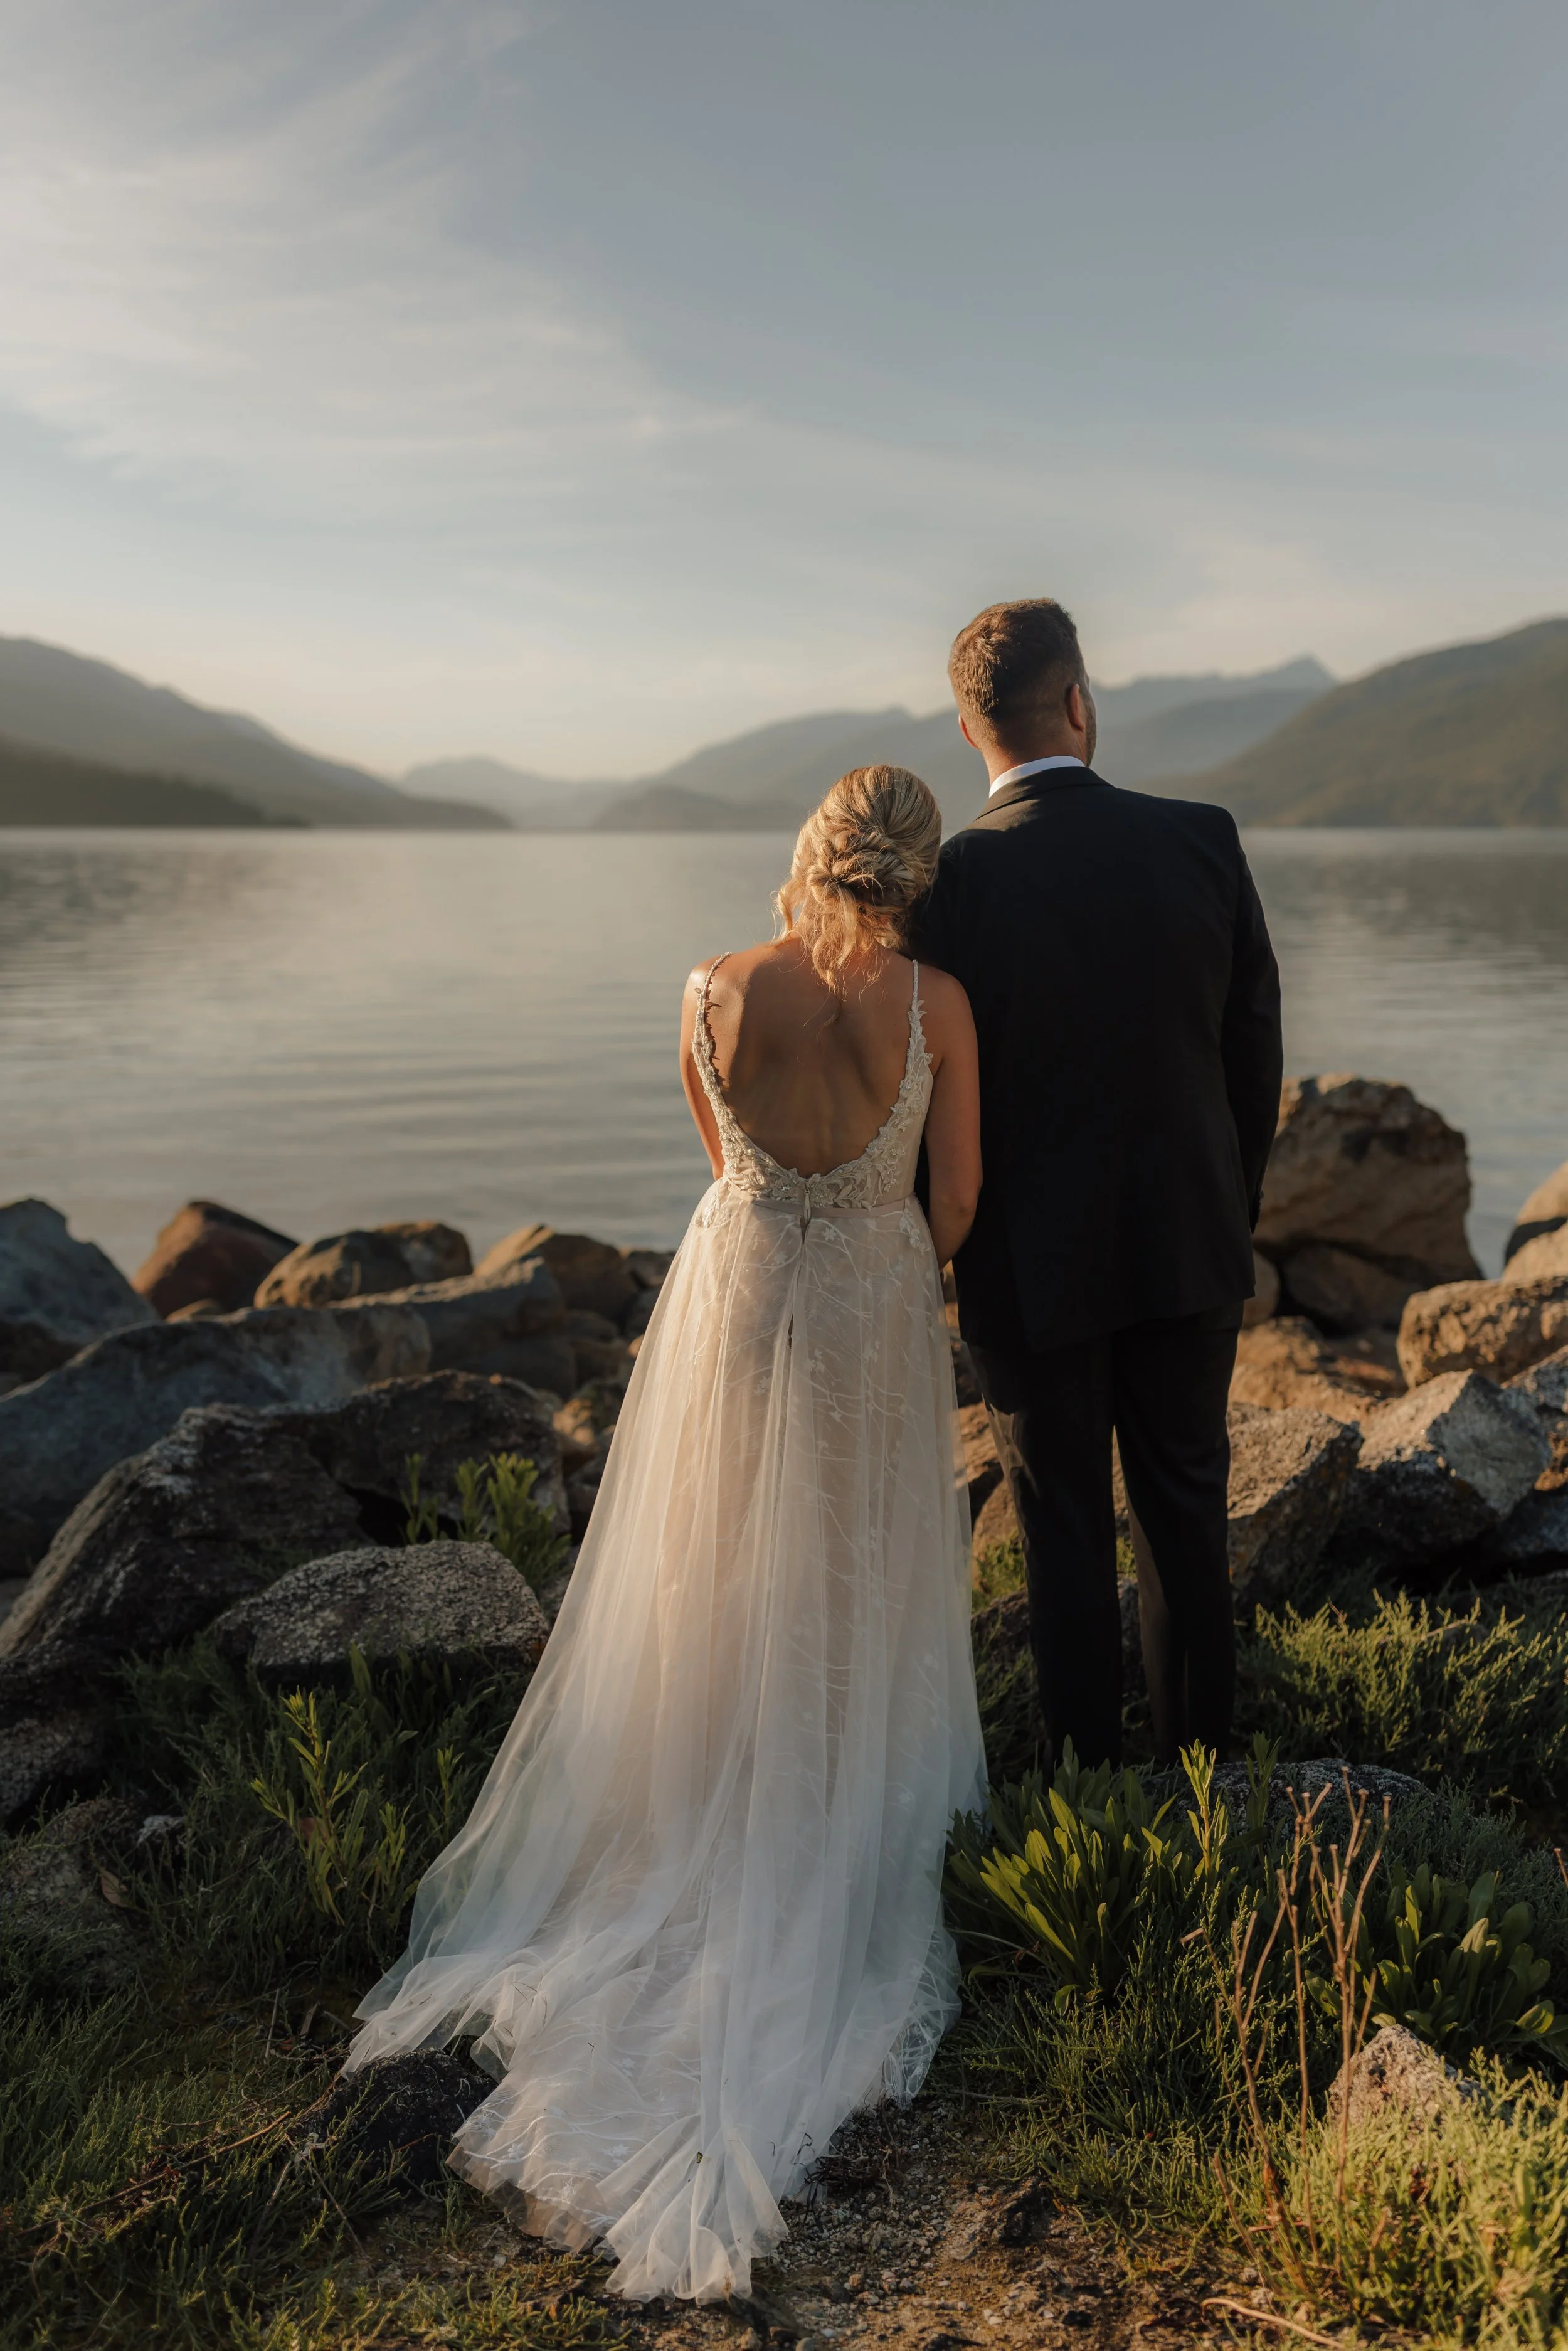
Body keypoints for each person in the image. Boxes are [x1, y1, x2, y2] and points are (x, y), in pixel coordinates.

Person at [346, 765, 986, 2304]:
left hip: (744, 1286)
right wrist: (875, 1226)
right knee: (850, 1570)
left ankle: (695, 1790)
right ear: (917, 868)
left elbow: (726, 1163)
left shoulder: (709, 985)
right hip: (870, 1305)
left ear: (813, 850)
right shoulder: (942, 1005)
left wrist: (793, 1211)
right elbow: (952, 1208)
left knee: (709, 1566)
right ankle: (822, 1793)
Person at [913, 598, 1283, 1772]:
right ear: (1080, 702)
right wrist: (1232, 1212)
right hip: (1187, 1242)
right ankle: (1205, 1785)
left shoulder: (950, 883)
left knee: (1060, 1531)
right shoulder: (1203, 838)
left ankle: (1083, 1792)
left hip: (1027, 1267)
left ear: (971, 730)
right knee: (1186, 1523)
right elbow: (1252, 1054)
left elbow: (924, 1092)